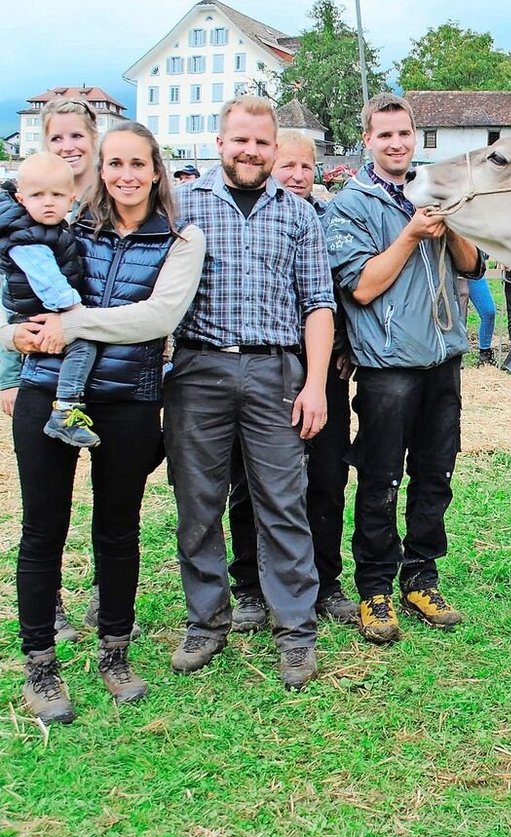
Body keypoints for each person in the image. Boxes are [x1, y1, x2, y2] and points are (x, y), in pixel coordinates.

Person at [0, 121, 206, 723]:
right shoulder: (64, 227)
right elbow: (15, 296)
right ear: (100, 166)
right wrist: (12, 337)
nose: (125, 175)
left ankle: (114, 651)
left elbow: (158, 315)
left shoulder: (179, 238)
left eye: (137, 164)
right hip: (47, 389)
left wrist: (75, 324)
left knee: (117, 528)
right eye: (114, 163)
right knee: (43, 529)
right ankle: (40, 664)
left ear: (155, 169)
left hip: (129, 398)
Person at [166, 95, 334, 690]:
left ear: (274, 148)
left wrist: (315, 384)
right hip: (198, 371)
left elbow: (318, 304)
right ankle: (206, 621)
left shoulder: (298, 214)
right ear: (220, 142)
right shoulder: (181, 205)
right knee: (198, 504)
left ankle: (295, 630)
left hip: (274, 373)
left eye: (262, 142)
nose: (251, 151)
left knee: (283, 503)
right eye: (240, 140)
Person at [323, 93, 485, 644]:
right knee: (380, 478)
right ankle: (374, 588)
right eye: (384, 135)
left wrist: (452, 221)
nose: (396, 143)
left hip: (444, 358)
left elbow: (471, 264)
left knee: (435, 475)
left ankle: (421, 576)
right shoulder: (350, 205)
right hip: (387, 366)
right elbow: (363, 287)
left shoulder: (433, 189)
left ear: (415, 136)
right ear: (367, 140)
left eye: (404, 133)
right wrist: (411, 234)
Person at [225, 130, 358, 632]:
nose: (299, 176)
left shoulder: (328, 222)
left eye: (308, 166)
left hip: (323, 372)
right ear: (269, 167)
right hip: (264, 370)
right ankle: (251, 587)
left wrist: (345, 350)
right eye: (288, 166)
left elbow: (341, 295)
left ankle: (326, 580)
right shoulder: (255, 221)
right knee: (251, 481)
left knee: (326, 477)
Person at [1, 99, 104, 643]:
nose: (69, 146)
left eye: (76, 136)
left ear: (94, 137)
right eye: (57, 137)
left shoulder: (108, 200)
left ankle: (103, 597)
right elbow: (5, 300)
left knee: (113, 505)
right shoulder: (26, 211)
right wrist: (8, 371)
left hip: (107, 374)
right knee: (45, 507)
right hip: (39, 365)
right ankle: (50, 608)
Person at [1, 153, 100, 447]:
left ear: (71, 199)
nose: (48, 202)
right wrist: (75, 310)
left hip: (40, 310)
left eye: (56, 195)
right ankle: (66, 409)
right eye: (38, 195)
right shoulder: (27, 237)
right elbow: (47, 282)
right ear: (21, 199)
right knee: (84, 345)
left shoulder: (49, 230)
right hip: (39, 312)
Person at [458, 274, 498, 366]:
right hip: (453, 274)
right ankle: (456, 355)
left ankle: (485, 353)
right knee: (458, 317)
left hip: (474, 273)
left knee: (488, 311)